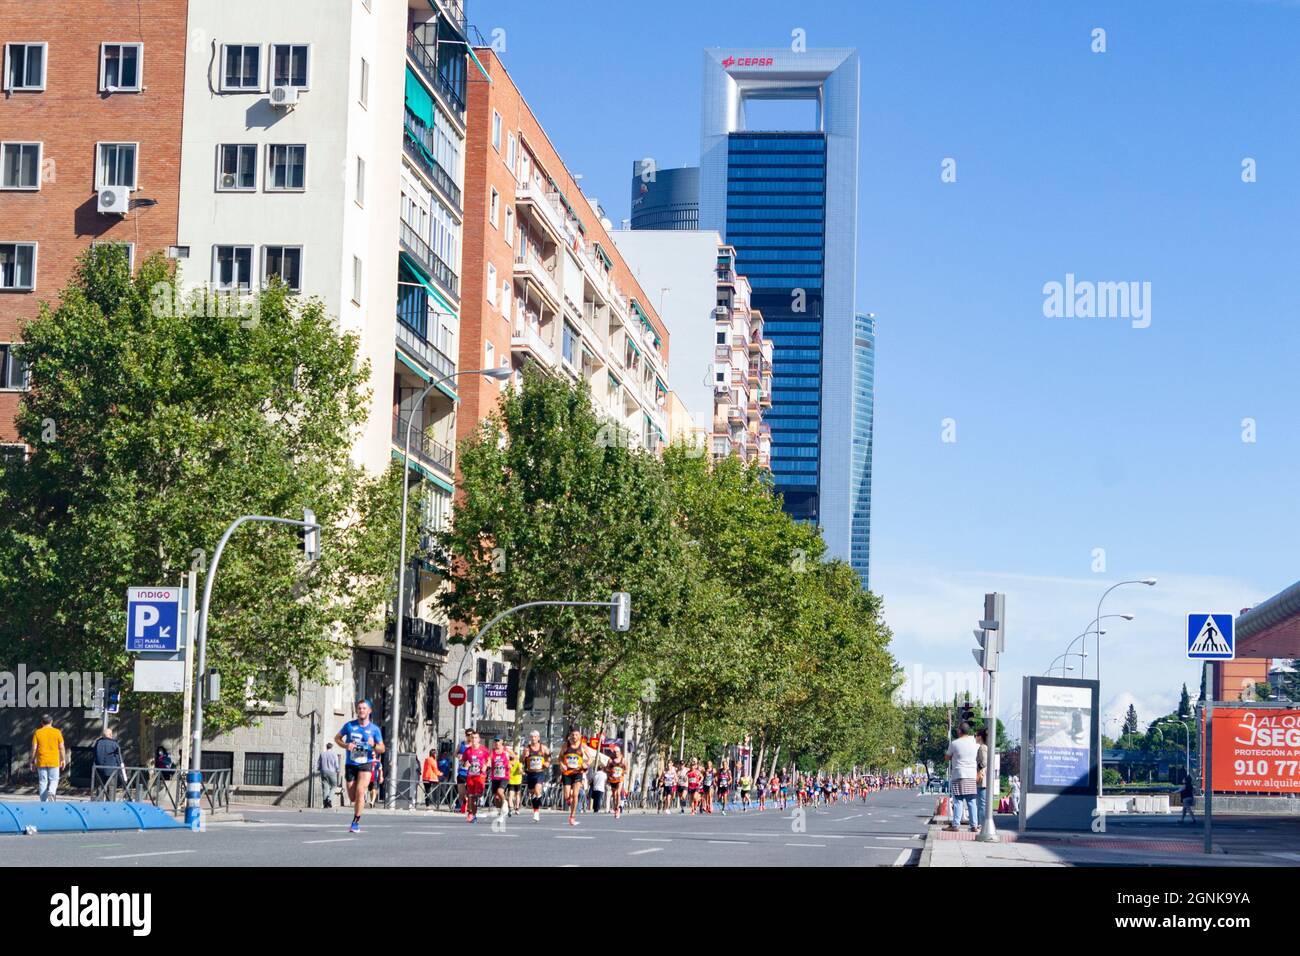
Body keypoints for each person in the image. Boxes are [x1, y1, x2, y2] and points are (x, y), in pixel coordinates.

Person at [336, 698, 385, 833]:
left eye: (364, 708)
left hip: (366, 763)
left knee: (360, 791)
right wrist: (346, 745)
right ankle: (359, 798)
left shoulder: (374, 729)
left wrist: (373, 745)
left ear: (369, 711)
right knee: (352, 797)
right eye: (359, 708)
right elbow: (337, 739)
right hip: (351, 764)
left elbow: (382, 749)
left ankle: (355, 822)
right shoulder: (349, 726)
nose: (361, 710)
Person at [944, 722, 979, 832]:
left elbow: (947, 757)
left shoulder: (954, 743)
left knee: (958, 801)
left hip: (959, 774)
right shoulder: (975, 744)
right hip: (971, 775)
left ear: (959, 731)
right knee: (971, 801)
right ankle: (974, 825)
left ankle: (955, 825)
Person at [31, 715, 67, 803]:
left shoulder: (38, 732)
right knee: (54, 780)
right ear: (51, 722)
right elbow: (61, 747)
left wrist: (32, 760)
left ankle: (44, 802)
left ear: (41, 723)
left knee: (43, 781)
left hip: (41, 760)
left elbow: (34, 748)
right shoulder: (57, 732)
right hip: (54, 760)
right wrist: (63, 759)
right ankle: (51, 791)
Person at [557, 729, 587, 826]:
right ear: (570, 736)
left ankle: (572, 816)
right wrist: (561, 764)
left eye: (576, 735)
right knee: (566, 796)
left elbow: (590, 758)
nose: (574, 737)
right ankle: (570, 803)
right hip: (567, 772)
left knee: (575, 794)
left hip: (578, 772)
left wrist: (586, 764)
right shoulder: (566, 745)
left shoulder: (582, 746)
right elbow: (560, 757)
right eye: (573, 735)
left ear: (580, 736)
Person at [522, 731, 550, 822]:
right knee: (532, 793)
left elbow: (549, 757)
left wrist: (547, 763)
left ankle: (537, 811)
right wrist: (524, 756)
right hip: (530, 773)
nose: (533, 739)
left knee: (537, 790)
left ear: (538, 738)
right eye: (532, 737)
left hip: (539, 772)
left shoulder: (543, 748)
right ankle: (536, 811)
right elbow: (521, 760)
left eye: (535, 737)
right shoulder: (527, 749)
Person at [462, 731, 490, 823]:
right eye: (472, 738)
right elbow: (463, 761)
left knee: (477, 795)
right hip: (470, 775)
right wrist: (465, 763)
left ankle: (480, 798)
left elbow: (489, 760)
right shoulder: (467, 750)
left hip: (480, 776)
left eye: (475, 738)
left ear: (479, 739)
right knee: (471, 796)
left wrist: (486, 765)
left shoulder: (484, 750)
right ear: (470, 739)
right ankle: (472, 814)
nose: (474, 739)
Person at [92, 726, 125, 801]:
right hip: (111, 770)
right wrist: (121, 768)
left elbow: (94, 754)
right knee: (111, 787)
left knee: (100, 787)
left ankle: (99, 803)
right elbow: (118, 757)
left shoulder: (98, 743)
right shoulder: (114, 744)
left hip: (99, 769)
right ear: (110, 735)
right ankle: (109, 804)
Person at [488, 737, 513, 816]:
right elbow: (488, 760)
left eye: (498, 741)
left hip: (504, 777)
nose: (496, 742)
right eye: (495, 741)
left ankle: (505, 802)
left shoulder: (506, 750)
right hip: (495, 777)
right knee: (496, 797)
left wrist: (511, 763)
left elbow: (515, 758)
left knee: (500, 791)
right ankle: (501, 810)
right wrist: (488, 764)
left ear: (502, 741)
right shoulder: (492, 752)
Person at [605, 746, 627, 819]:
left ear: (620, 752)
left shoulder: (623, 760)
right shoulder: (610, 760)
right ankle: (615, 808)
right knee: (614, 795)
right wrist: (610, 772)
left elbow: (626, 769)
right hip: (612, 779)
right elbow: (607, 769)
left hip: (620, 779)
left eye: (617, 752)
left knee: (618, 792)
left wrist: (623, 772)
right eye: (614, 752)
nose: (616, 753)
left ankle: (617, 808)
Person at [974, 728, 990, 833]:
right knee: (981, 803)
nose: (975, 737)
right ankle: (981, 823)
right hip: (983, 778)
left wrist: (978, 770)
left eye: (976, 735)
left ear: (980, 736)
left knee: (981, 803)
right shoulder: (984, 747)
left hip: (982, 779)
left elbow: (984, 761)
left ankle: (982, 824)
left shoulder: (982, 747)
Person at [318, 742, 341, 809]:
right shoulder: (334, 754)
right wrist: (338, 770)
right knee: (334, 786)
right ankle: (329, 799)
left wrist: (319, 769)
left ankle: (325, 803)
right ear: (332, 747)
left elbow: (319, 763)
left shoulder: (322, 754)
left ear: (326, 747)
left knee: (325, 787)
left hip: (323, 771)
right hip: (332, 771)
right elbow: (336, 764)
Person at [508, 749, 524, 815]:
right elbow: (520, 770)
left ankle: (511, 808)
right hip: (517, 781)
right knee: (517, 795)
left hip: (511, 781)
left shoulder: (508, 762)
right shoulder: (518, 763)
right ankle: (517, 808)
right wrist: (523, 772)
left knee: (510, 796)